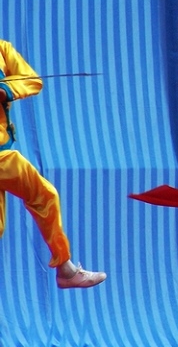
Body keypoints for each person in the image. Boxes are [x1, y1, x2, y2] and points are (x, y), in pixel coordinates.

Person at [0, 39, 106, 288]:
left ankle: (66, 270)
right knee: (44, 194)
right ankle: (66, 270)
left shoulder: (3, 49)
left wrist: (6, 90)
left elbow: (32, 80)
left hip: (3, 150)